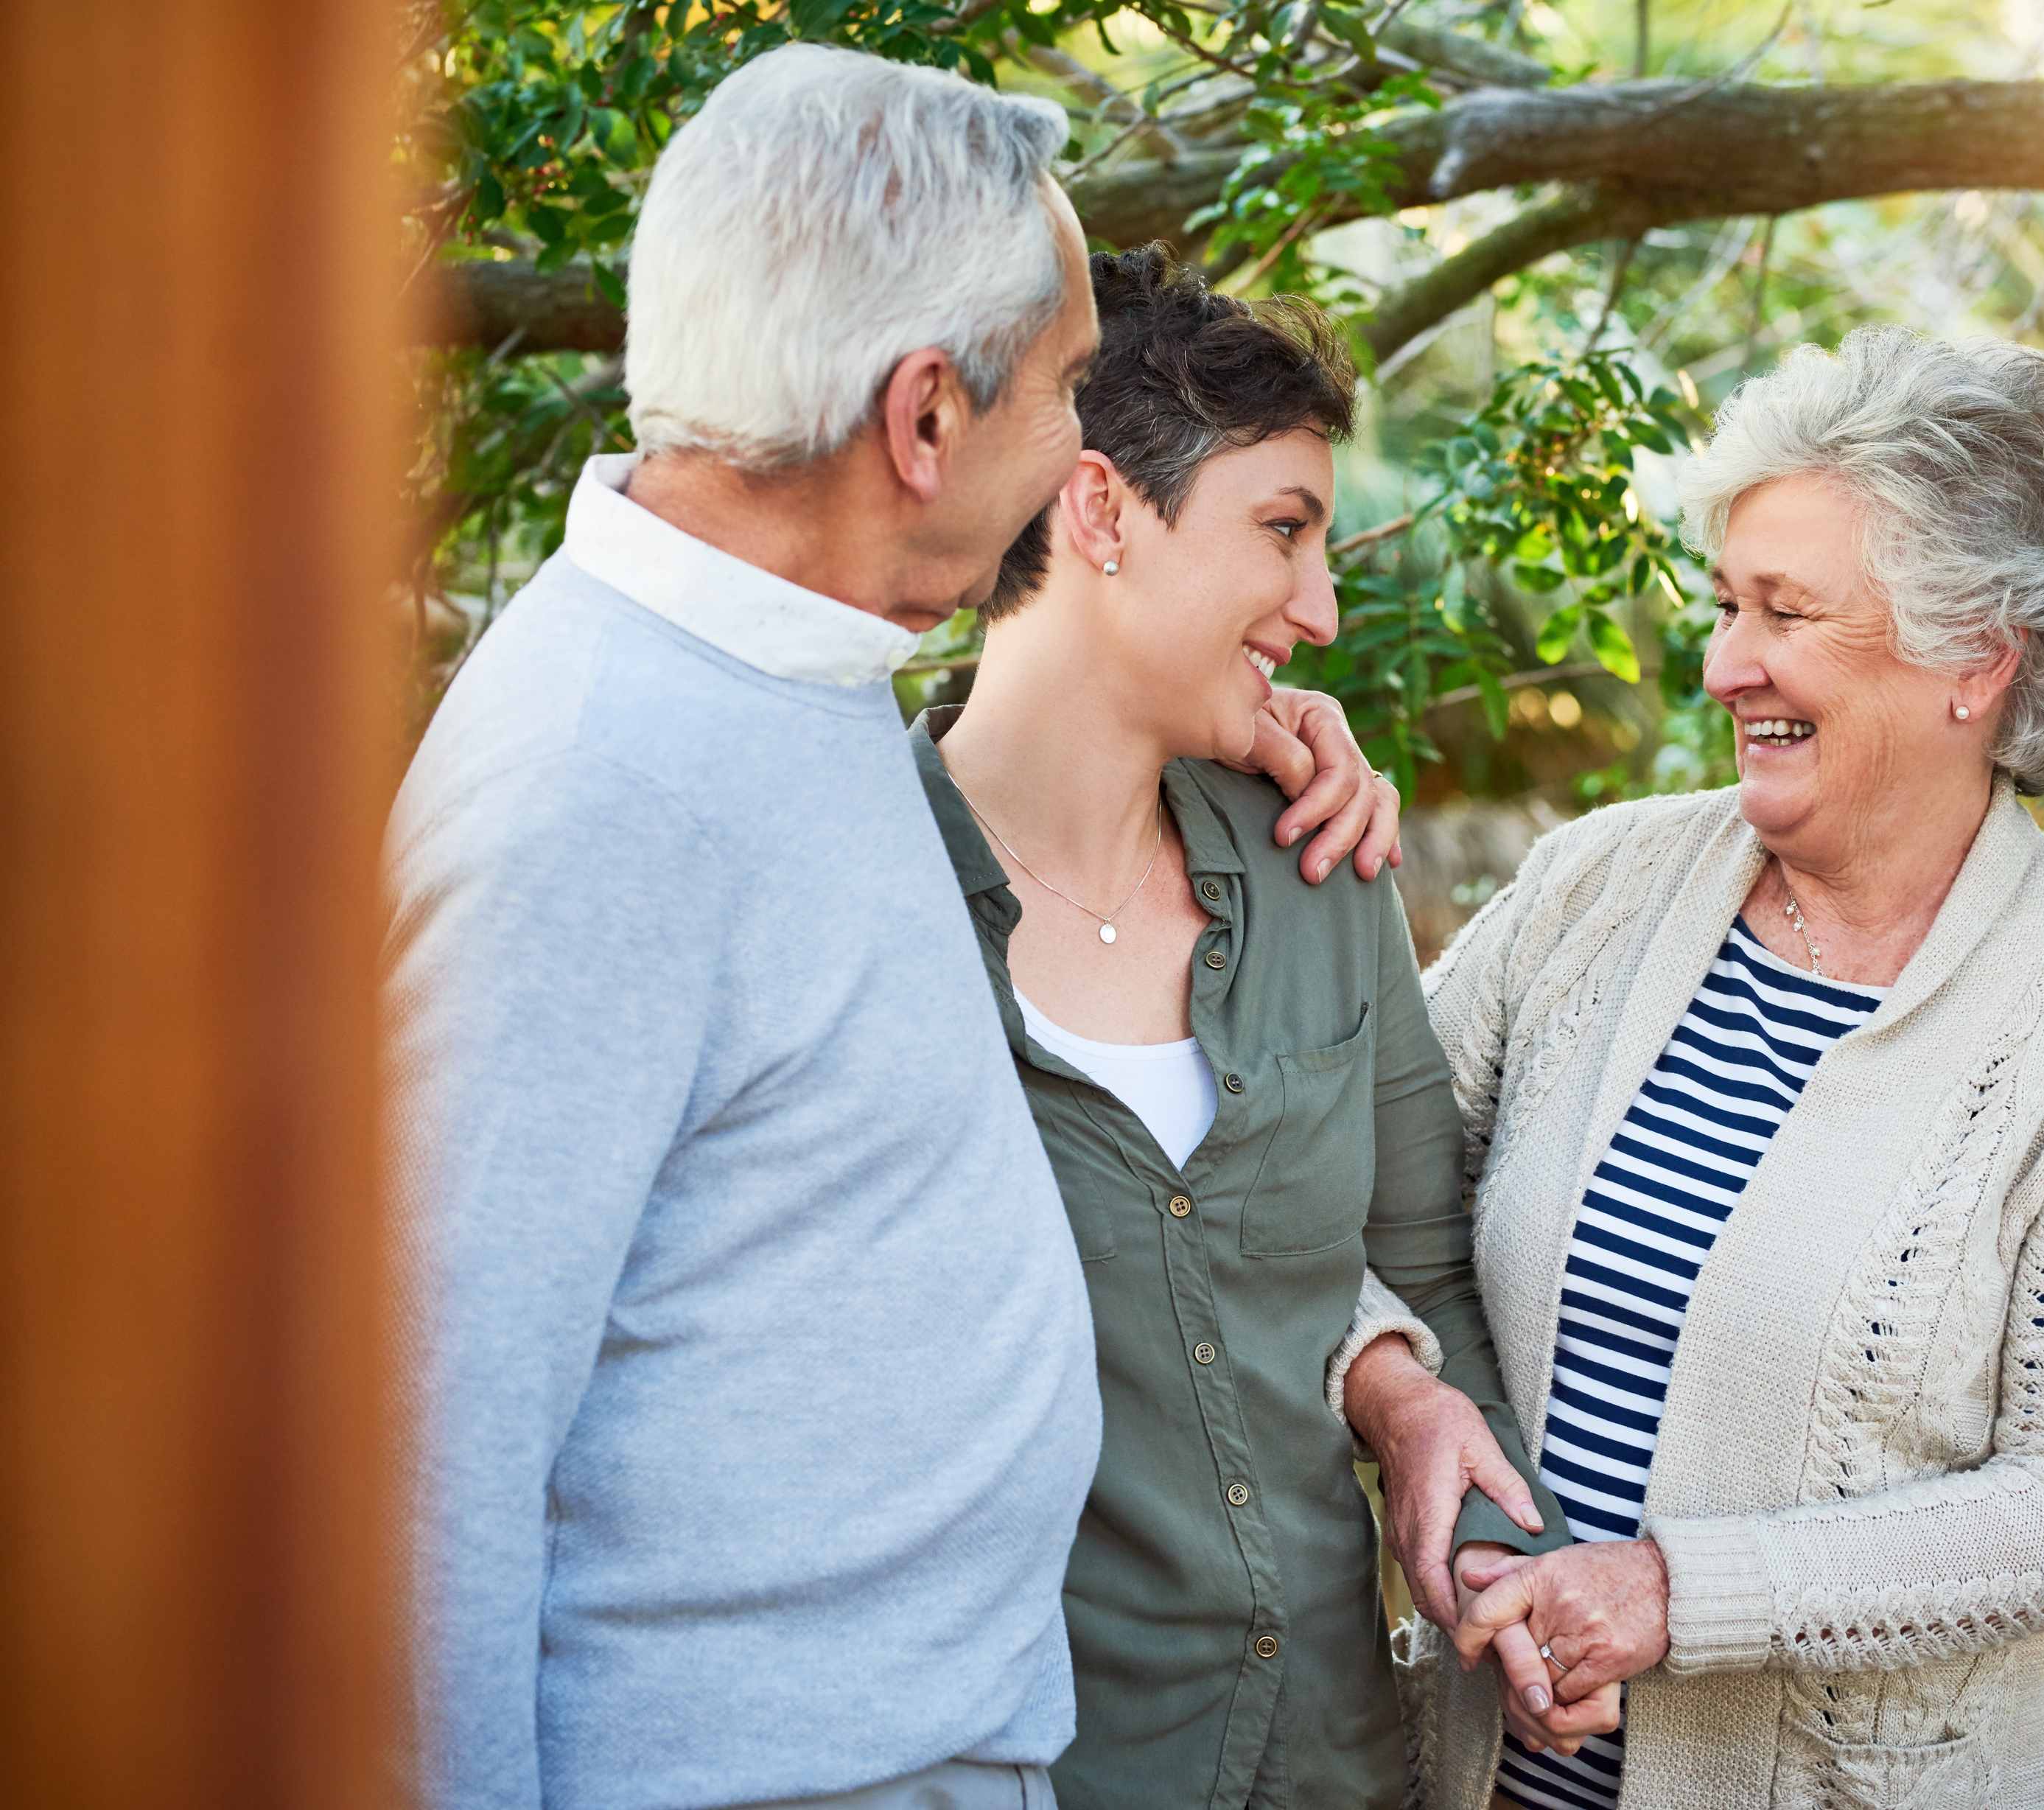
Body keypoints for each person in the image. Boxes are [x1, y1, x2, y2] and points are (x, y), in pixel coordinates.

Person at [391, 49, 1400, 1810]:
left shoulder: (792, 669)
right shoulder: (594, 786)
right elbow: (415, 1465)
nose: (1090, 447)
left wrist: (1251, 713)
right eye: (1072, 388)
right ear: (924, 417)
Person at [1396, 326, 2044, 1810]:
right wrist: (1401, 1403)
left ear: (1977, 658)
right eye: (1727, 604)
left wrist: (1680, 1591)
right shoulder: (1598, 885)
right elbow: (1336, 1170)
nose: (1725, 664)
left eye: (1785, 612)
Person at [906, 245, 1594, 1810]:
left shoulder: (1321, 873)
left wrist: (1472, 1512)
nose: (1326, 610)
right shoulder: (858, 897)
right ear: (1095, 512)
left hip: (1339, 1773)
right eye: (1279, 531)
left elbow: (1425, 1279)